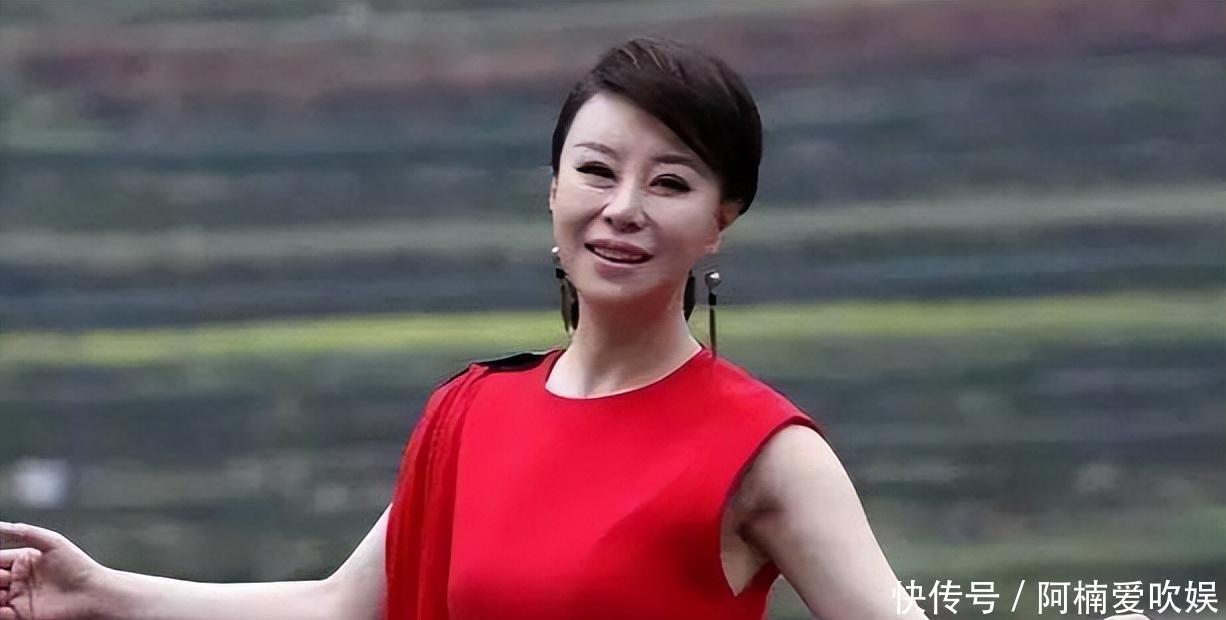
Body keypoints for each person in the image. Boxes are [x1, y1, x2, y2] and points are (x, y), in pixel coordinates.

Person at [0, 37, 1151, 620]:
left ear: (721, 221)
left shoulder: (761, 451)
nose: (623, 208)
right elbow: (343, 604)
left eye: (670, 181)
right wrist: (99, 593)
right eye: (596, 170)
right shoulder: (469, 413)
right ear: (550, 190)